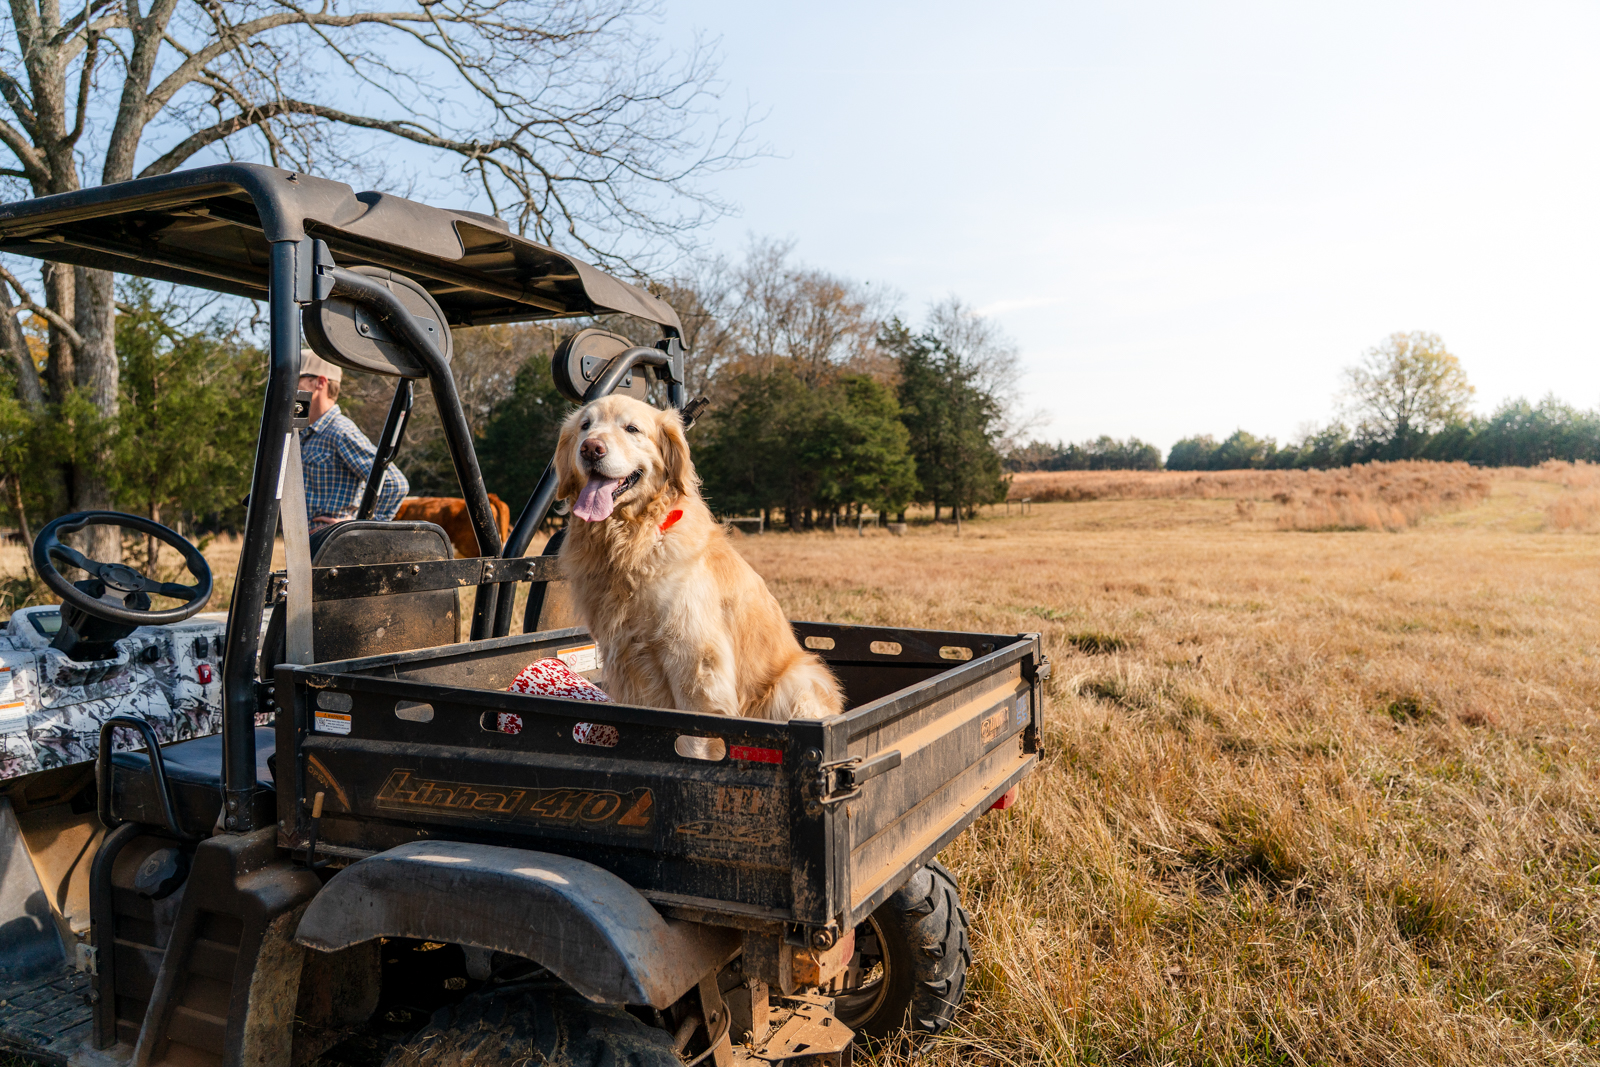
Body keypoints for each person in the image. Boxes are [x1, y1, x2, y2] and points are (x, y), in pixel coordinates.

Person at [298, 350, 409, 531]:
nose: (288, 388)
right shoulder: (304, 433)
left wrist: (358, 528)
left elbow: (395, 484)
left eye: (296, 380)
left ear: (320, 382)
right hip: (306, 551)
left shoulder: (340, 431)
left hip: (335, 551)